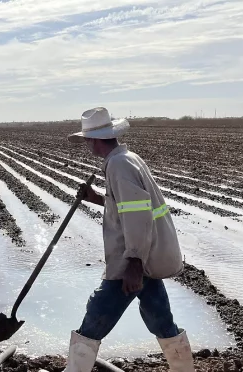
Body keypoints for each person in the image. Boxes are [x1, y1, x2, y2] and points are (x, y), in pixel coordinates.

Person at [63, 107, 195, 372]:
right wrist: (96, 198)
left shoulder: (119, 164)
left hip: (132, 261)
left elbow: (137, 216)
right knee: (161, 321)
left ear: (94, 139)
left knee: (95, 318)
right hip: (146, 257)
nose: (87, 144)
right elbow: (126, 205)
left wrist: (134, 263)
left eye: (88, 139)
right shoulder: (126, 157)